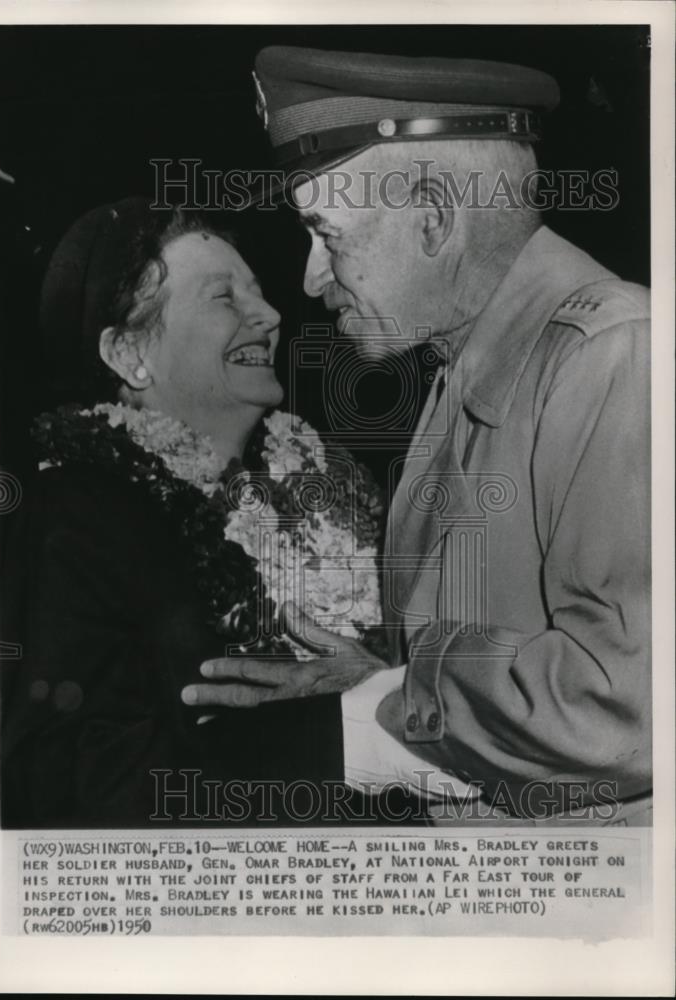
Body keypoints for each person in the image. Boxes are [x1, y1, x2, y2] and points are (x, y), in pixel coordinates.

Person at [184, 47, 652, 825]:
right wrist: (386, 683)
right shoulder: (468, 365)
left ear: (434, 217)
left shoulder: (614, 353)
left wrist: (375, 718)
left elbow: (624, 705)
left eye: (326, 234)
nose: (310, 279)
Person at [0, 200, 356, 828]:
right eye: (224, 298)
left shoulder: (329, 491)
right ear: (129, 353)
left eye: (260, 293)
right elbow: (71, 782)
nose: (270, 316)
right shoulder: (71, 519)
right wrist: (346, 736)